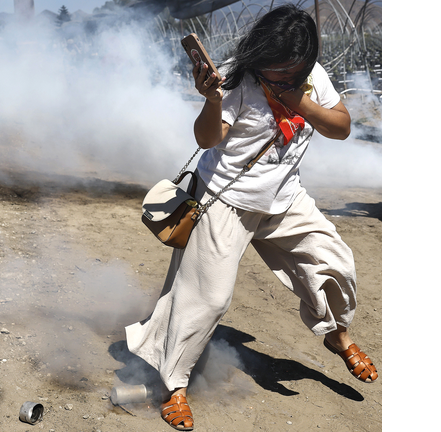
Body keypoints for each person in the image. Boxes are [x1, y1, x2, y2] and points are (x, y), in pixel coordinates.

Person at [124, 5, 378, 431]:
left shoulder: (312, 78)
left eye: (288, 71)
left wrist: (298, 99)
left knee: (335, 262)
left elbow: (341, 127)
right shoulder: (236, 77)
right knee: (207, 298)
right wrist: (212, 100)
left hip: (285, 199)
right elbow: (207, 139)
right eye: (272, 69)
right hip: (226, 200)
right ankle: (175, 385)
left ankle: (337, 337)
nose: (277, 77)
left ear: (304, 62)